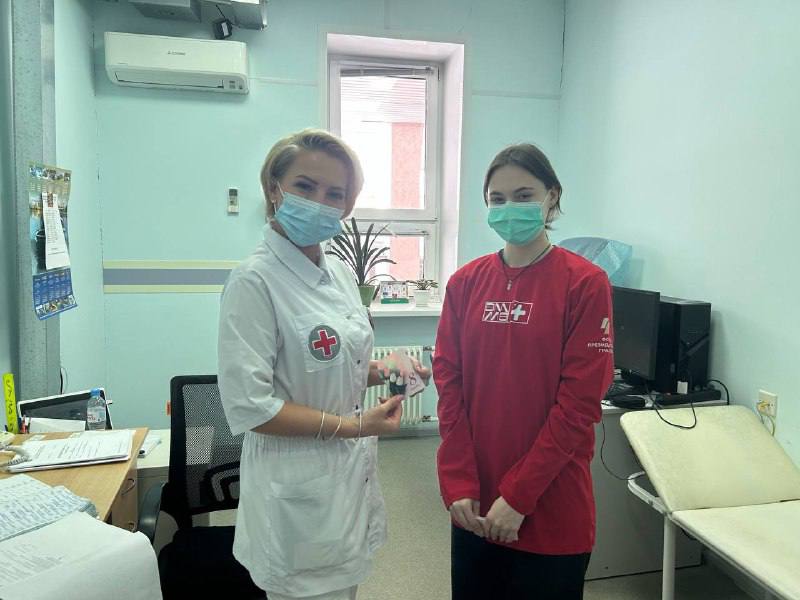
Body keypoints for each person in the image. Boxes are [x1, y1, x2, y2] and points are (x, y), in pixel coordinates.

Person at [218, 129, 429, 600]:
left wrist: (388, 370)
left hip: (346, 478)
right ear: (274, 188)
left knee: (343, 585)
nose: (320, 202)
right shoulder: (253, 282)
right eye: (305, 186)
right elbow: (251, 407)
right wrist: (356, 426)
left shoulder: (336, 271)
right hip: (295, 490)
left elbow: (333, 362)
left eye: (335, 193)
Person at [433, 143, 614, 599]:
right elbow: (449, 386)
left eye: (524, 195)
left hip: (551, 502)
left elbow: (578, 406)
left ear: (552, 197)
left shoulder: (585, 283)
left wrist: (518, 497)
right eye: (497, 199)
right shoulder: (465, 283)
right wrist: (458, 480)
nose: (509, 208)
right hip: (475, 501)